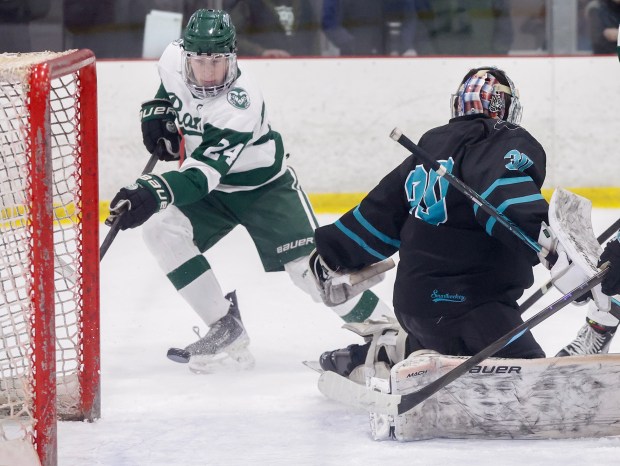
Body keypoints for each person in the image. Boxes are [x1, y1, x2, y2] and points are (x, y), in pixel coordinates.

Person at [105, 9, 392, 373]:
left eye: (218, 63)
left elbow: (198, 178)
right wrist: (158, 109)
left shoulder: (239, 103)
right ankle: (225, 326)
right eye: (200, 63)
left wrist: (151, 191)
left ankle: (390, 334)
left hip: (264, 189)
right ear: (185, 56)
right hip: (214, 189)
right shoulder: (172, 58)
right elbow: (167, 85)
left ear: (233, 58)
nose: (208, 74)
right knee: (162, 229)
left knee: (316, 275)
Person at [310, 66, 620, 378]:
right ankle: (416, 353)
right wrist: (558, 255)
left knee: (450, 341)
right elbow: (505, 195)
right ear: (506, 108)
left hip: (413, 307)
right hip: (475, 309)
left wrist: (333, 255)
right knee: (533, 382)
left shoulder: (429, 147)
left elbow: (378, 215)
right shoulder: (500, 139)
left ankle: (389, 352)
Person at [321, 0, 426, 56]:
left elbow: (409, 14)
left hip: (386, 55)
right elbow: (329, 23)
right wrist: (353, 45)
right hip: (353, 61)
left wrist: (406, 46)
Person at [221, 0, 320, 57]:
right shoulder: (249, 3)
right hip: (262, 70)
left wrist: (316, 62)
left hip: (302, 68)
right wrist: (260, 51)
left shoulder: (305, 4)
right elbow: (229, 37)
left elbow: (314, 38)